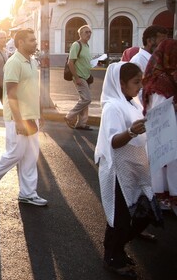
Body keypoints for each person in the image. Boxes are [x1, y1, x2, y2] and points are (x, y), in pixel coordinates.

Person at [95, 62, 161, 277]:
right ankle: (112, 258)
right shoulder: (113, 107)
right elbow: (113, 141)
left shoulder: (130, 102)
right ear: (120, 84)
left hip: (133, 168)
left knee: (140, 212)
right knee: (120, 217)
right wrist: (132, 132)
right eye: (135, 82)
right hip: (118, 171)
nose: (140, 86)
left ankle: (117, 250)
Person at [0, 29, 47, 207]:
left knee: (31, 155)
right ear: (20, 43)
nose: (35, 43)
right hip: (17, 117)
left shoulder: (32, 62)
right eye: (32, 40)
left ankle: (28, 193)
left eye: (35, 39)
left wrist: (39, 113)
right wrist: (18, 121)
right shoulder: (14, 62)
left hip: (31, 115)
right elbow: (11, 93)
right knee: (16, 153)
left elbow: (34, 90)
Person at [142, 39, 177, 215]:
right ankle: (163, 197)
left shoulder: (165, 78)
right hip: (164, 134)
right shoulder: (161, 82)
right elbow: (160, 110)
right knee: (167, 162)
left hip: (165, 133)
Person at [65, 25, 93, 130]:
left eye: (90, 32)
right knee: (87, 99)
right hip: (79, 76)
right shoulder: (76, 45)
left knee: (84, 100)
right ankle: (69, 116)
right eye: (86, 32)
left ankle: (81, 123)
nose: (88, 34)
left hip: (86, 76)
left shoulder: (87, 46)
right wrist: (76, 78)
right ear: (80, 34)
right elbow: (70, 62)